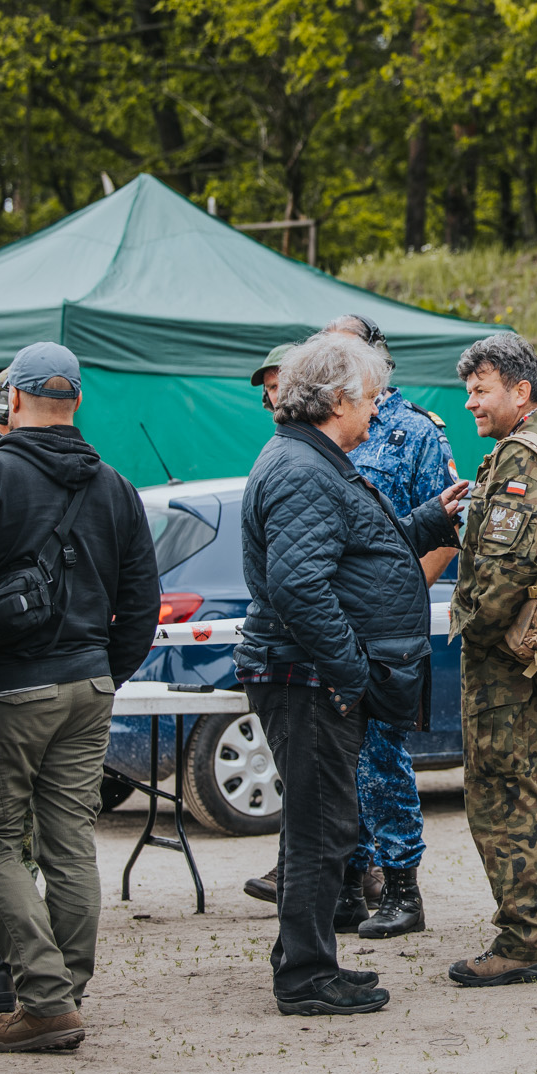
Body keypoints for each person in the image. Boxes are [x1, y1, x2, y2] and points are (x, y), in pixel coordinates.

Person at [234, 333, 463, 1015]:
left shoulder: (315, 460)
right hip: (308, 678)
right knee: (323, 826)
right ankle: (305, 976)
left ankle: (305, 957)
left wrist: (428, 519)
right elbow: (300, 584)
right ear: (336, 400)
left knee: (320, 822)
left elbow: (356, 549)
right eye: (368, 397)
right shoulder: (304, 469)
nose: (375, 409)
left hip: (311, 674)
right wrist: (351, 672)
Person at [0, 343, 160, 1052]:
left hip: (8, 688)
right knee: (71, 839)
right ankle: (66, 990)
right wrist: (106, 671)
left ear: (12, 399)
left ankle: (43, 999)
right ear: (76, 403)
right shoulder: (118, 486)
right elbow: (142, 604)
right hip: (89, 684)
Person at [446, 333, 537, 987]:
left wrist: (473, 633)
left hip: (508, 653)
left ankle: (524, 939)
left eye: (481, 388)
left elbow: (504, 566)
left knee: (502, 792)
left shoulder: (518, 455)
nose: (471, 402)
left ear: (520, 390)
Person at [328, 314, 456, 938]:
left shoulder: (415, 433)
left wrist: (400, 594)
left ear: (378, 360)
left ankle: (402, 889)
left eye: (345, 351)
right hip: (332, 623)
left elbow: (446, 528)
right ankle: (350, 885)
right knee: (337, 755)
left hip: (386, 626)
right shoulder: (326, 426)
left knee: (382, 754)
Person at [240, 339, 298, 909]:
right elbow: (296, 584)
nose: (273, 396)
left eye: (280, 383)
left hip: (291, 648)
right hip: (287, 651)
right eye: (268, 389)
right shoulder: (288, 459)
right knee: (311, 790)